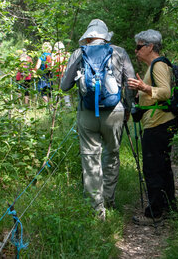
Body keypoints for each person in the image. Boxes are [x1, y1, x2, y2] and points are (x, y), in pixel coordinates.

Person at [61, 19, 136, 220]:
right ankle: (109, 200)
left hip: (86, 113)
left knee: (90, 158)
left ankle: (96, 210)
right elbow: (130, 84)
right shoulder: (119, 52)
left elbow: (65, 86)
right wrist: (128, 109)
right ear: (105, 36)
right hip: (114, 112)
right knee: (111, 154)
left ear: (88, 36)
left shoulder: (79, 53)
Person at [127, 29, 178, 226]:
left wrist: (144, 88)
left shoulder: (158, 65)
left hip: (159, 123)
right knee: (163, 167)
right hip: (159, 122)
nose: (136, 51)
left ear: (150, 47)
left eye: (139, 47)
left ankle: (154, 213)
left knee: (153, 169)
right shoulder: (155, 66)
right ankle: (169, 208)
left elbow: (165, 92)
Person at [53, 41, 72, 108]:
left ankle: (57, 106)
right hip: (65, 74)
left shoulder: (54, 55)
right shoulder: (67, 54)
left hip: (56, 74)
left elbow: (52, 65)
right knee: (65, 89)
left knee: (56, 90)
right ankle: (67, 105)